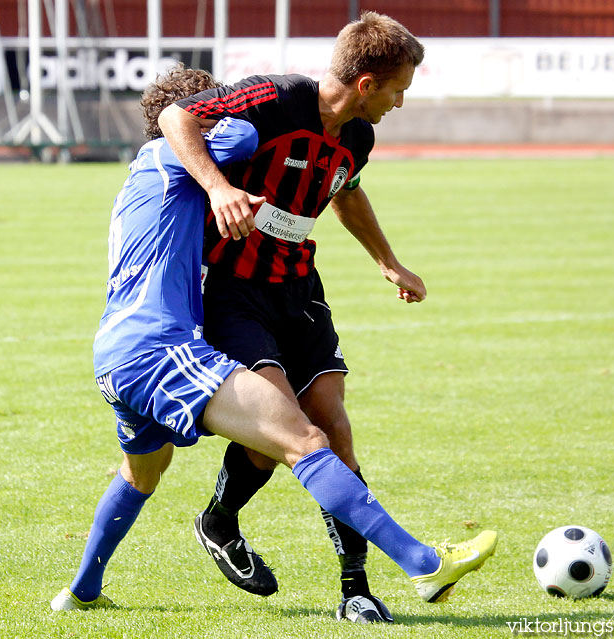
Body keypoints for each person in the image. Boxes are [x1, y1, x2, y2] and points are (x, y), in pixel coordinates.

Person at [50, 64, 499, 614]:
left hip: (115, 352)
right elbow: (228, 130)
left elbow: (329, 179)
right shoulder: (179, 154)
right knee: (305, 442)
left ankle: (79, 591)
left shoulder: (140, 175)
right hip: (160, 351)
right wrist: (232, 124)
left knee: (142, 472)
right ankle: (425, 564)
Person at [158, 11, 435, 622]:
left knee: (333, 428)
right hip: (232, 291)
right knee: (279, 435)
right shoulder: (277, 97)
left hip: (299, 290)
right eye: (398, 90)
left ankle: (355, 589)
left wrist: (388, 261)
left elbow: (347, 190)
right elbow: (177, 117)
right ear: (366, 84)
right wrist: (218, 189)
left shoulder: (357, 135)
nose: (400, 102)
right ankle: (220, 520)